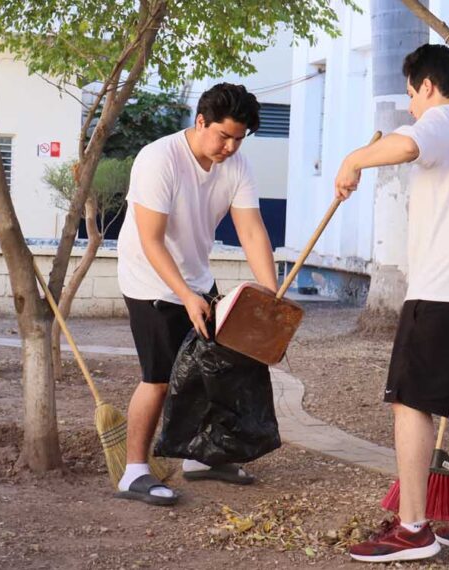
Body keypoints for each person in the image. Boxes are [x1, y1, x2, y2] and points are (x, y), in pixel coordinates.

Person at [335, 44, 449, 562]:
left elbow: (408, 145)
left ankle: (412, 529)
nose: (410, 107)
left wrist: (353, 159)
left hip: (440, 292)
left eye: (412, 94)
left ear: (429, 86)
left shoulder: (444, 120)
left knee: (410, 403)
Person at [113, 83, 279, 506]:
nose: (230, 147)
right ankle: (133, 472)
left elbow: (251, 231)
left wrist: (272, 294)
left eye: (239, 139)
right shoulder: (159, 159)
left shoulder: (236, 165)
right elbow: (151, 240)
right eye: (224, 136)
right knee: (159, 379)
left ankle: (201, 459)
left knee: (214, 371)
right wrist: (185, 295)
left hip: (198, 277)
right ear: (200, 121)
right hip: (150, 279)